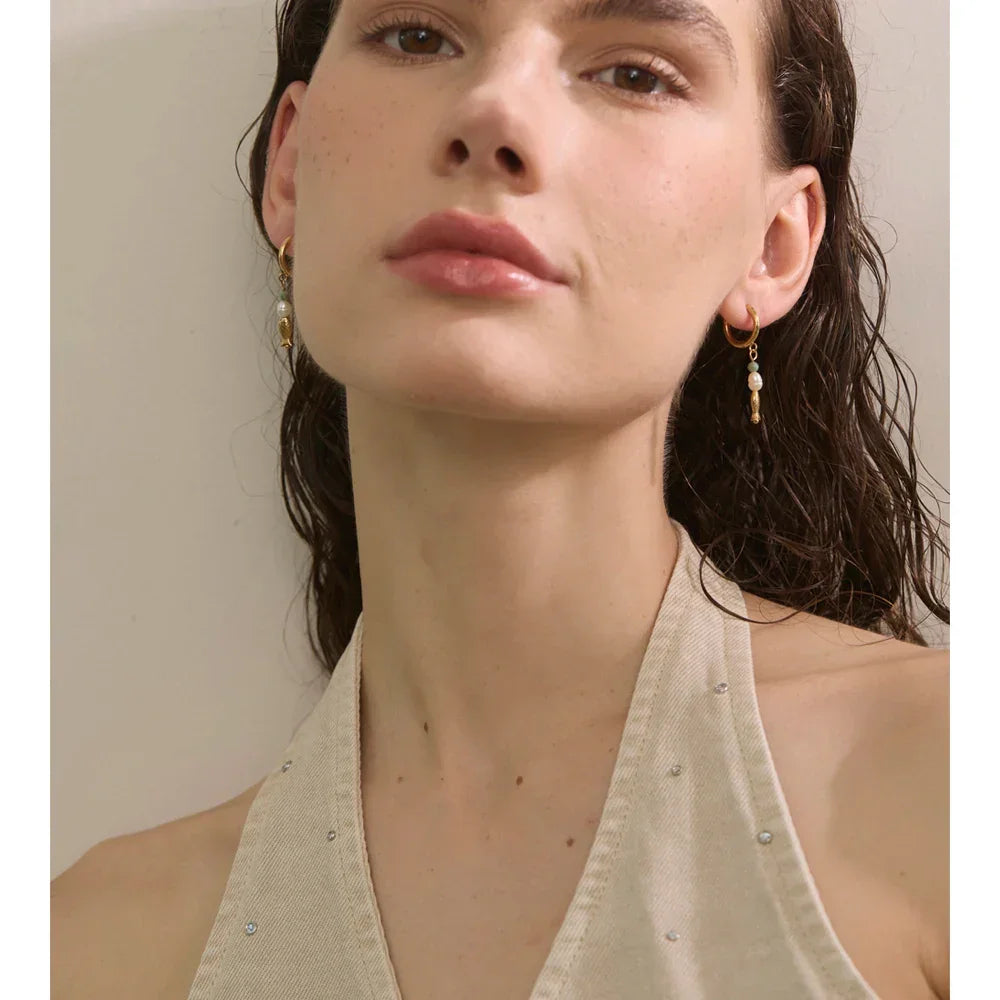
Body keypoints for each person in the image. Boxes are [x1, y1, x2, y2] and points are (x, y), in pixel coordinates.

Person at [51, 0, 949, 997]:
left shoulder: (945, 798)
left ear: (774, 244)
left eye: (635, 73)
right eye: (417, 36)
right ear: (291, 168)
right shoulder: (86, 949)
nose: (491, 112)